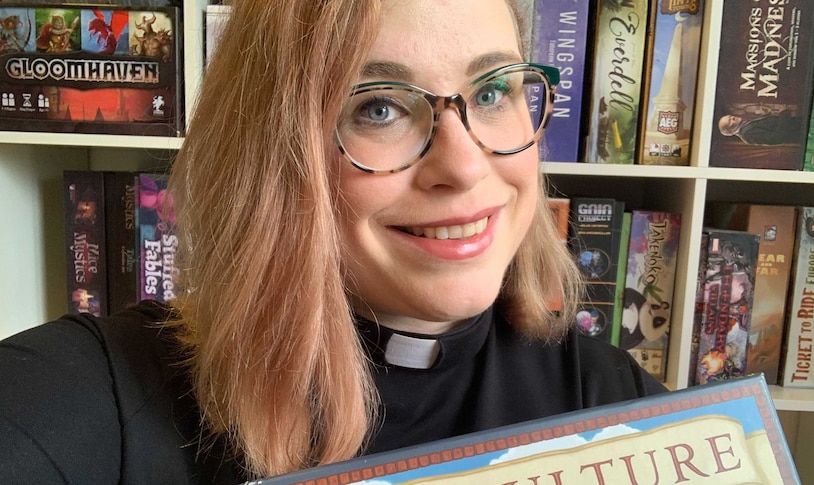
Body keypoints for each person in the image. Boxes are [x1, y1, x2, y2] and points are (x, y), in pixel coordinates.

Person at [0, 0, 667, 482]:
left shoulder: (615, 403)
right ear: (274, 158)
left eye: (492, 91)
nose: (466, 165)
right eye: (378, 106)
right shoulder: (109, 394)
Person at [717, 110, 803, 145]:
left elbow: (769, 126)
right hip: (799, 131)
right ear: (730, 131)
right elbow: (776, 138)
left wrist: (767, 114)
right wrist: (784, 113)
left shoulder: (745, 127)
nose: (733, 118)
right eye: (730, 121)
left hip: (798, 125)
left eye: (730, 116)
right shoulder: (747, 134)